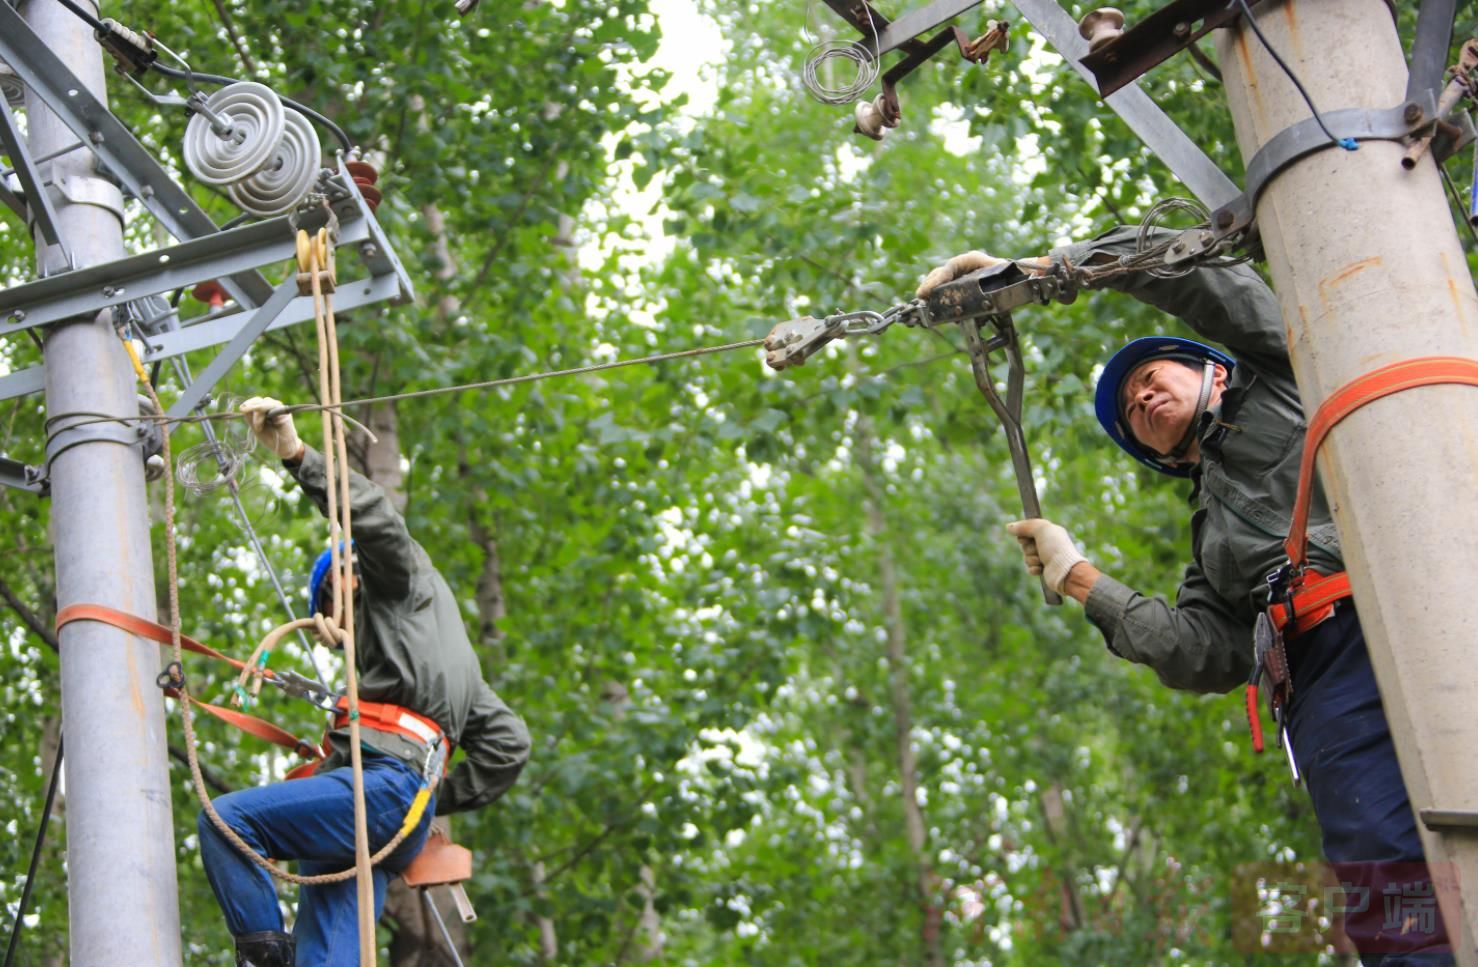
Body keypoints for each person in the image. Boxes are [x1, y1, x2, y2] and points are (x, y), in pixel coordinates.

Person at [918, 228, 1450, 964]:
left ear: (1214, 371)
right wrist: (1081, 578)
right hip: (1325, 676)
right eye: (1133, 412)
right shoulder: (1215, 545)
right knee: (1385, 882)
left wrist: (1048, 269)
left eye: (1149, 375)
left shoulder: (1286, 371)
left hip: (1430, 594)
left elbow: (1201, 276)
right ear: (1160, 455)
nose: (1140, 395)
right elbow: (1204, 650)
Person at [197, 397, 532, 967]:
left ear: (351, 579)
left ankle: (262, 959)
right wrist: (429, 794)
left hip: (384, 787)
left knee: (228, 821)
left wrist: (298, 456)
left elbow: (374, 521)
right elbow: (509, 746)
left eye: (333, 595)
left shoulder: (401, 586)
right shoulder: (442, 667)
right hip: (387, 797)